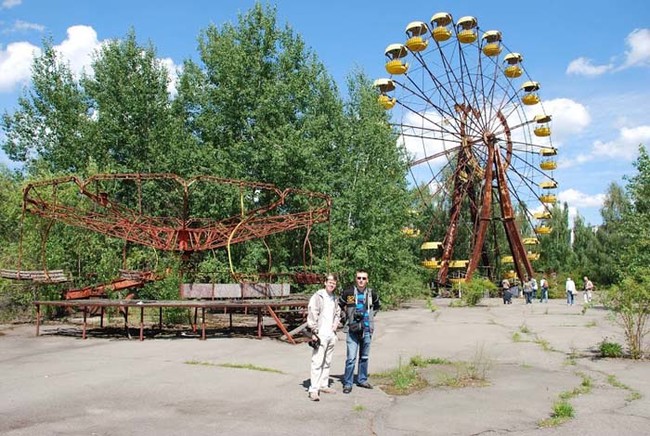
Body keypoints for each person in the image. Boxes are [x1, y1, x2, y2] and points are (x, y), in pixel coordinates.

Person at [339, 269, 380, 394]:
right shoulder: (348, 292)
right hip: (352, 329)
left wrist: (370, 318)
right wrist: (346, 317)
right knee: (351, 358)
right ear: (355, 279)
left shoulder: (372, 293)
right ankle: (348, 383)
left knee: (364, 357)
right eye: (359, 278)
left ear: (367, 280)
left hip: (367, 330)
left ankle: (362, 379)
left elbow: (377, 306)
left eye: (363, 278)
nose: (361, 280)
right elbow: (339, 304)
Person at [306, 274, 341, 401]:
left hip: (331, 334)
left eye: (334, 283)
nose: (332, 284)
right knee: (317, 361)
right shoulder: (318, 296)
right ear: (325, 282)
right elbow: (312, 313)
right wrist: (314, 331)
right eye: (330, 282)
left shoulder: (335, 298)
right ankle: (313, 389)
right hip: (320, 334)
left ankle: (323, 384)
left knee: (327, 361)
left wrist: (336, 324)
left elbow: (338, 313)